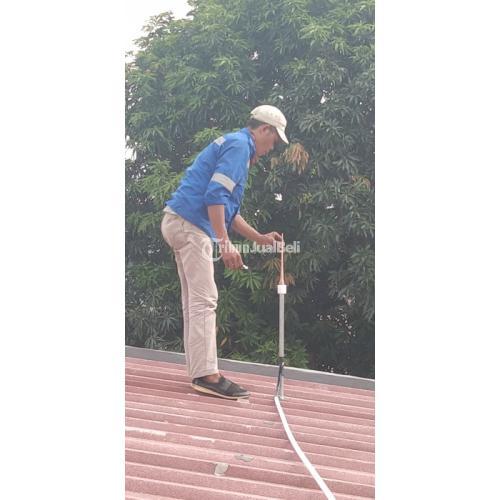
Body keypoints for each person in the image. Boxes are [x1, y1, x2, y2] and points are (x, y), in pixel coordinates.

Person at [160, 105, 288, 400]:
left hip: (179, 221)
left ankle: (200, 372)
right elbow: (215, 197)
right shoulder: (240, 147)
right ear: (264, 130)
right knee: (205, 300)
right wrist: (225, 244)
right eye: (274, 141)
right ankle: (207, 376)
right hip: (191, 225)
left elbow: (228, 209)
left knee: (194, 302)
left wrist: (258, 238)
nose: (272, 148)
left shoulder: (234, 143)